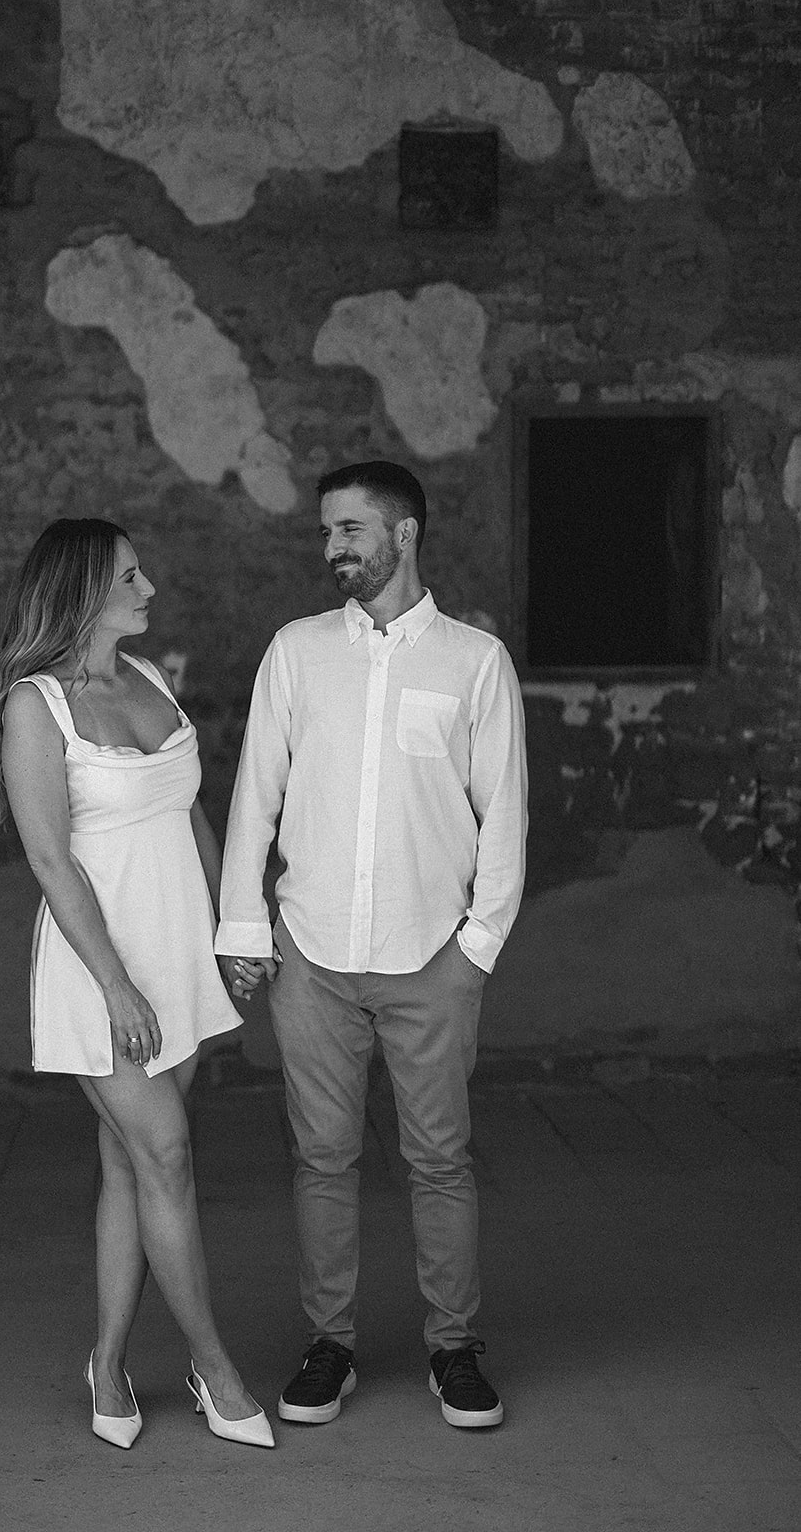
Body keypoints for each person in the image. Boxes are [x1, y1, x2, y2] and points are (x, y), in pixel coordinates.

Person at [216, 461, 527, 1431]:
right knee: (320, 1158)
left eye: (348, 529)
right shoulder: (295, 653)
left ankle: (453, 1349)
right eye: (325, 533)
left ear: (403, 533)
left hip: (430, 956)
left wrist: (475, 946)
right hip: (310, 957)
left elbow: (504, 814)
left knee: (439, 1160)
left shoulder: (472, 660)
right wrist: (241, 927)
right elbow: (251, 798)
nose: (330, 549)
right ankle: (329, 1345)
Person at [0, 517, 274, 1450]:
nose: (149, 589)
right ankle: (213, 1367)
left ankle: (106, 1360)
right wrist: (120, 990)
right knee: (165, 1153)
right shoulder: (33, 706)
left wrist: (230, 931)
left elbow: (191, 818)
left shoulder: (150, 681)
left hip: (177, 952)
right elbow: (52, 862)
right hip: (101, 971)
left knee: (128, 1165)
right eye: (131, 577)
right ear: (85, 593)